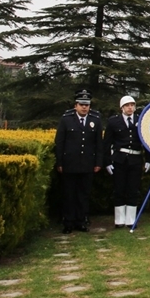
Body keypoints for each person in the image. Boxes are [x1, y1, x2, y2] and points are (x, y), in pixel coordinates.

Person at [54, 89, 104, 234]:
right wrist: (60, 163)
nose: (84, 107)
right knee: (69, 194)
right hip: (70, 164)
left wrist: (98, 163)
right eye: (81, 104)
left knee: (83, 194)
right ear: (75, 105)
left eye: (86, 105)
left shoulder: (95, 119)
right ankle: (68, 222)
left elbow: (99, 144)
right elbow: (60, 142)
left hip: (87, 164)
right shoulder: (66, 119)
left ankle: (81, 221)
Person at [103, 95, 150, 229]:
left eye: (132, 105)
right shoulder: (114, 122)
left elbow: (146, 141)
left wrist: (148, 160)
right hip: (119, 159)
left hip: (135, 160)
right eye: (127, 105)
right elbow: (107, 143)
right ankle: (119, 219)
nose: (130, 108)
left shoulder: (140, 120)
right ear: (122, 108)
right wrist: (107, 162)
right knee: (119, 189)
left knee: (133, 189)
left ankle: (131, 219)